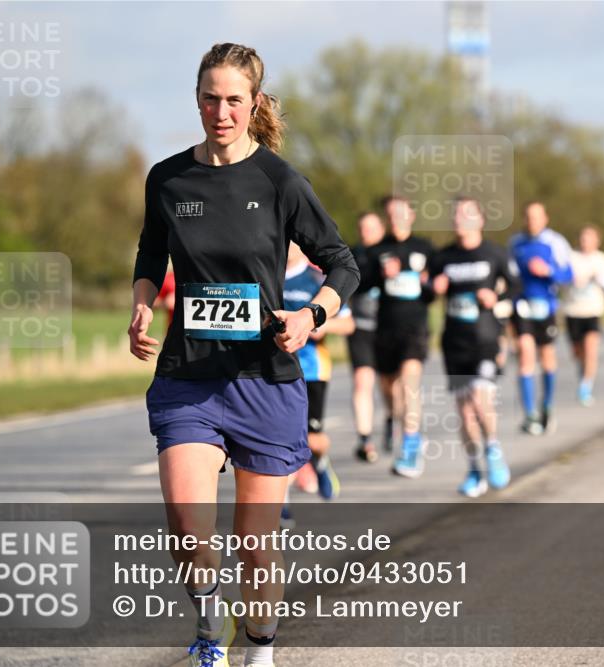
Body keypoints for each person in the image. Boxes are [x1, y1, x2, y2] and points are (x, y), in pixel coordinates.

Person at [128, 43, 359, 667]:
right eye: (210, 99)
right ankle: (211, 625)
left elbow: (342, 264)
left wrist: (311, 316)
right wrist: (142, 303)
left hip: (264, 378)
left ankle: (260, 651)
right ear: (197, 99)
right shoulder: (168, 178)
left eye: (234, 100)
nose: (221, 112)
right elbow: (151, 251)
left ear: (254, 103)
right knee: (186, 524)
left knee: (255, 545)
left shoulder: (280, 182)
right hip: (189, 375)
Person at [430, 197, 518, 497]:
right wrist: (433, 288)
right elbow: (426, 292)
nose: (459, 219)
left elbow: (516, 287)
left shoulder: (494, 253)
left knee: (480, 399)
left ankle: (493, 449)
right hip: (455, 342)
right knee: (465, 412)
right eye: (456, 214)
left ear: (480, 220)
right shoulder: (443, 257)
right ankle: (474, 470)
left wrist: (497, 298)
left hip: (486, 338)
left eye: (466, 214)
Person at [360, 195, 436, 478]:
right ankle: (399, 421)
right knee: (390, 390)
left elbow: (434, 291)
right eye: (391, 214)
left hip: (415, 328)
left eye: (401, 213)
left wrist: (427, 283)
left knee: (408, 383)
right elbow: (361, 284)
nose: (396, 219)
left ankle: (411, 446)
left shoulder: (425, 248)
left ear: (411, 215)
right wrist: (381, 274)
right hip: (385, 328)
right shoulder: (377, 250)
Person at [283, 242, 355, 500]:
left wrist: (323, 325)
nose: (286, 246)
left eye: (291, 241)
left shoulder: (318, 279)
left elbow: (348, 324)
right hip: (275, 368)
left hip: (312, 369)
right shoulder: (268, 276)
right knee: (279, 436)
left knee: (313, 439)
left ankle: (320, 461)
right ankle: (281, 503)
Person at [509, 201, 573, 435]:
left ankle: (547, 404)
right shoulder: (515, 243)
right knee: (525, 353)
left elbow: (568, 274)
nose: (532, 221)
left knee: (547, 357)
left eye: (536, 217)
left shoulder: (555, 242)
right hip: (522, 306)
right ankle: (530, 414)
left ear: (545, 218)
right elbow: (509, 274)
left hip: (546, 306)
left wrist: (548, 271)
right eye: (528, 217)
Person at [346, 211, 386, 462]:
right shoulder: (351, 255)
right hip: (360, 327)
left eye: (371, 228)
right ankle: (365, 439)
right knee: (362, 382)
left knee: (391, 387)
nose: (365, 233)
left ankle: (392, 419)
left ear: (382, 229)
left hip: (388, 328)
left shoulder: (393, 252)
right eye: (362, 228)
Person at [564, 225, 604, 406]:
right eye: (583, 238)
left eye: (589, 238)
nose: (585, 242)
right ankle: (583, 370)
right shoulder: (570, 257)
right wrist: (570, 278)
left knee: (591, 348)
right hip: (573, 310)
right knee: (577, 351)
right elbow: (560, 278)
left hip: (593, 311)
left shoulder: (602, 259)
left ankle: (586, 386)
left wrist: (598, 277)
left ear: (597, 241)